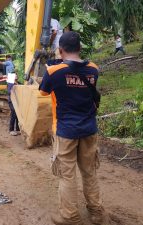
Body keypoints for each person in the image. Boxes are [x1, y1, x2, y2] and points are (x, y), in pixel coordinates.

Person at [39, 32, 104, 225]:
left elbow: (43, 91)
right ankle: (97, 214)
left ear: (60, 50)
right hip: (89, 129)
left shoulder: (53, 71)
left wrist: (50, 68)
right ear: (80, 49)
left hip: (66, 131)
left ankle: (70, 216)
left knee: (67, 175)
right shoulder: (93, 69)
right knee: (89, 172)